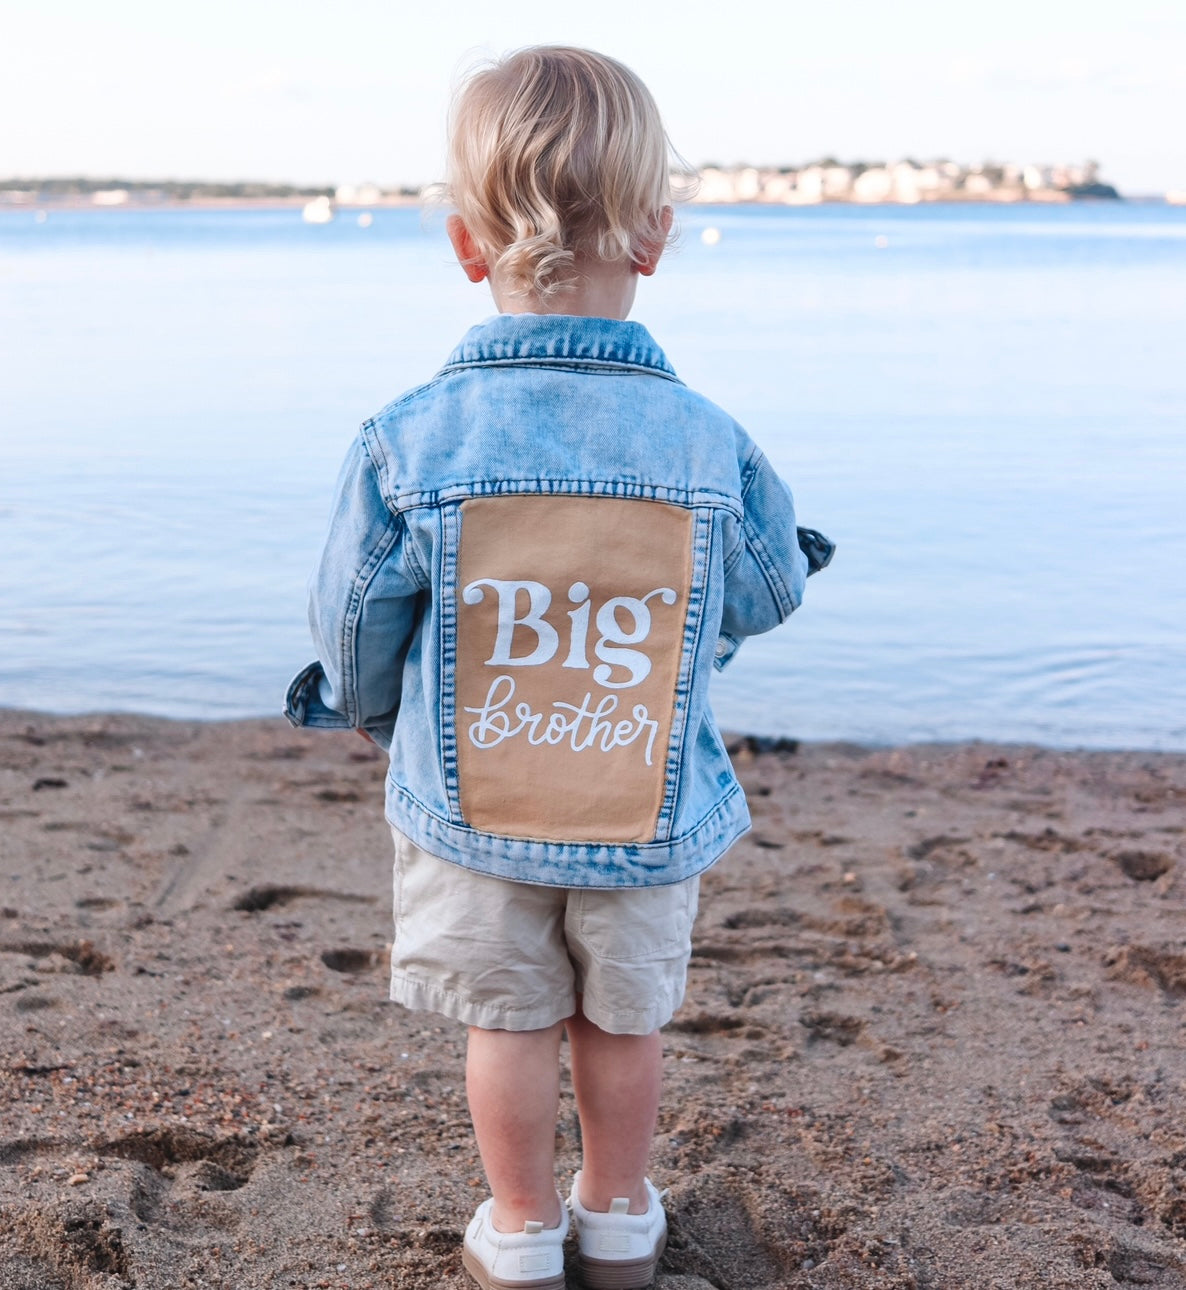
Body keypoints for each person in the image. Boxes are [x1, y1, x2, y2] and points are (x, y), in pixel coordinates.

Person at [284, 45, 832, 1290]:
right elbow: (763, 587)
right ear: (657, 236)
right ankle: (622, 1213)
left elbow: (355, 619)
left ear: (466, 244)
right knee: (620, 1020)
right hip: (636, 799)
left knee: (510, 1019)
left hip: (474, 809)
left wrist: (380, 718)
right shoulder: (704, 438)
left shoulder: (410, 437)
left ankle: (523, 1229)